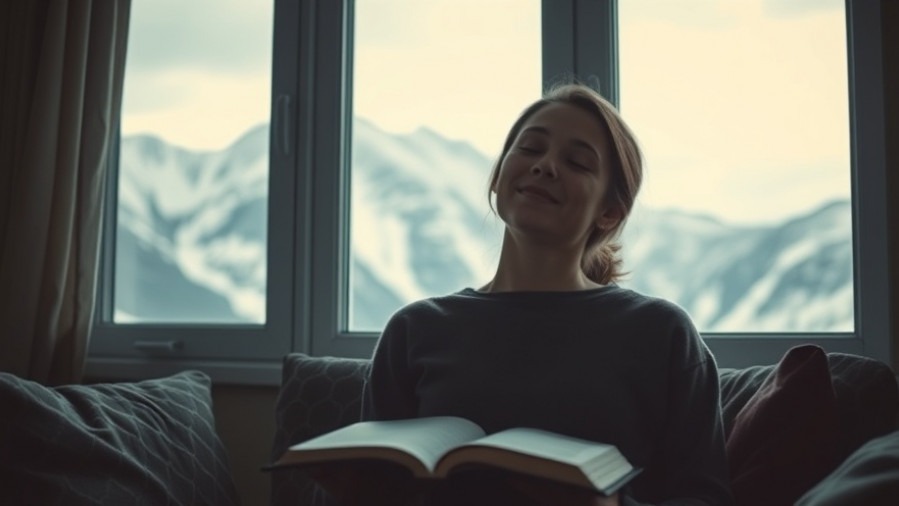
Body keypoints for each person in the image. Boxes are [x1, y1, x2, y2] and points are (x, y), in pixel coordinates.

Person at [313, 83, 734, 506]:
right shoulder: (414, 329)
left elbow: (705, 498)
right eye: (530, 148)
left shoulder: (660, 333)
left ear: (610, 212)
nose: (545, 166)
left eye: (577, 162)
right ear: (498, 177)